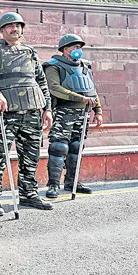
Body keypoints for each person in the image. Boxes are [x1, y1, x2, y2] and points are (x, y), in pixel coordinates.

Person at [0, 12, 54, 215]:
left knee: (31, 156)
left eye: (18, 25)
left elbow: (41, 81)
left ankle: (29, 194)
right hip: (5, 113)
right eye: (10, 26)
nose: (15, 29)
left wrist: (47, 109)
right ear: (2, 30)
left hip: (31, 111)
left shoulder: (30, 52)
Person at [43, 34, 103, 198]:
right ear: (64, 49)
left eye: (79, 47)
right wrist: (80, 98)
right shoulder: (53, 66)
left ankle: (72, 181)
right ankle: (53, 185)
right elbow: (54, 88)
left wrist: (98, 111)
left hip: (82, 113)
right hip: (64, 112)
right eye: (74, 47)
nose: (78, 50)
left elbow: (92, 90)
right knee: (58, 147)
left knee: (76, 147)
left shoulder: (85, 66)